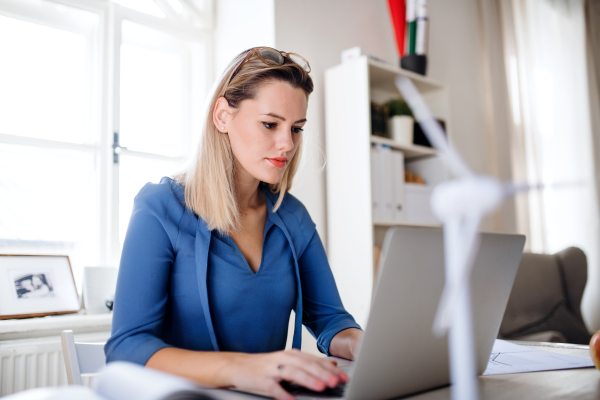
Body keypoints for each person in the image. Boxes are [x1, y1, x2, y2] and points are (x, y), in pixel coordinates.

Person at [105, 47, 363, 400]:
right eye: (270, 124)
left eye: (297, 128)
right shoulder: (160, 208)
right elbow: (126, 347)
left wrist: (363, 344)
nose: (287, 144)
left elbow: (331, 321)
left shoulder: (293, 216)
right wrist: (241, 368)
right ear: (223, 116)